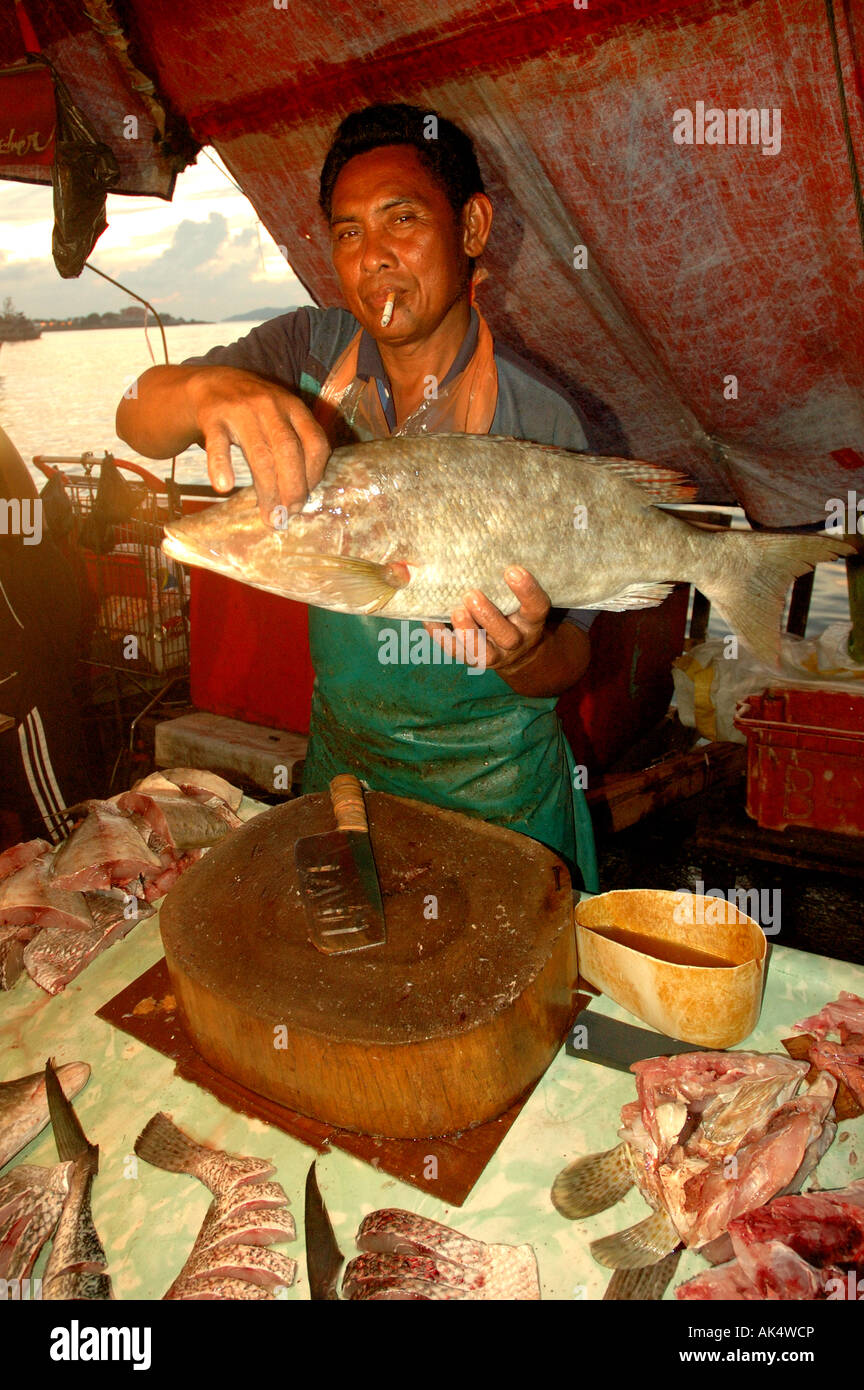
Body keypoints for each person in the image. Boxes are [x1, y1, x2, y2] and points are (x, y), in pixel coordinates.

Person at [117, 104, 602, 889]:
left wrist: (530, 651)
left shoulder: (542, 422)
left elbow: (574, 657)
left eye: (401, 219)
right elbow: (138, 416)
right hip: (348, 783)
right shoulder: (305, 351)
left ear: (472, 227)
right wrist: (206, 387)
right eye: (347, 233)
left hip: (502, 802)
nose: (372, 257)